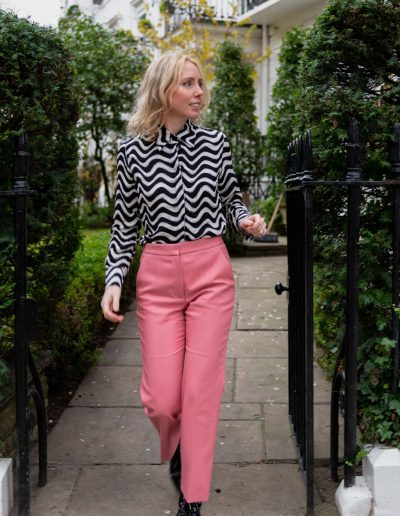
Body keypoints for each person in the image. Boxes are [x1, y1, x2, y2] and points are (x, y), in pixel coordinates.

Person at [101, 51, 266, 516]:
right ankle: (179, 446)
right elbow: (124, 224)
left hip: (209, 272)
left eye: (200, 84)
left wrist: (245, 221)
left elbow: (230, 198)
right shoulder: (132, 151)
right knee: (161, 400)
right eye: (188, 84)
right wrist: (114, 279)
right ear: (163, 90)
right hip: (157, 278)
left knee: (199, 393)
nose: (199, 93)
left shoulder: (214, 143)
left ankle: (191, 497)